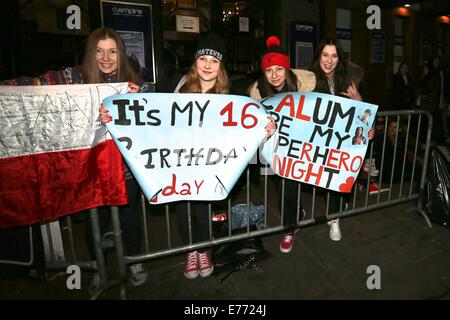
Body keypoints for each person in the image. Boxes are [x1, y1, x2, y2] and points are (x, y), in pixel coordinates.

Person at [101, 32, 275, 279]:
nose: (207, 65)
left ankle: (203, 251)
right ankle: (190, 251)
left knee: (204, 210)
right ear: (195, 62)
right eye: (203, 58)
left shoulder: (233, 96)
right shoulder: (176, 85)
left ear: (220, 66)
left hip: (211, 165)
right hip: (180, 163)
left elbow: (248, 128)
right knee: (183, 208)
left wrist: (265, 129)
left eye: (214, 61)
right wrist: (125, 102)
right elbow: (149, 110)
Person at [3, 27, 150, 291]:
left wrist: (140, 100)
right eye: (99, 51)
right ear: (90, 54)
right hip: (91, 168)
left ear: (122, 55)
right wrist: (6, 89)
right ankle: (99, 267)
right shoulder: (73, 78)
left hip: (125, 167)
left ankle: (135, 263)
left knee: (129, 218)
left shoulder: (133, 83)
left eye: (112, 51)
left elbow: (152, 118)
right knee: (96, 219)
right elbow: (36, 86)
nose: (106, 58)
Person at [248, 35, 316, 253]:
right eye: (269, 70)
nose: (274, 75)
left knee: (289, 188)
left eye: (279, 69)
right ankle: (295, 216)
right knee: (285, 187)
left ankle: (289, 228)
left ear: (287, 69)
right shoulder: (258, 92)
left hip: (302, 146)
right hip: (275, 149)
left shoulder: (304, 86)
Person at [309, 37, 375, 241]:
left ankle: (335, 218)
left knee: (339, 176)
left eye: (334, 56)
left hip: (342, 141)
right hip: (320, 140)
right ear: (319, 56)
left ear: (340, 58)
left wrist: (366, 122)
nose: (329, 61)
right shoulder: (308, 80)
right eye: (325, 55)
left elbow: (360, 111)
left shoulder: (346, 80)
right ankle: (338, 203)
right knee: (326, 180)